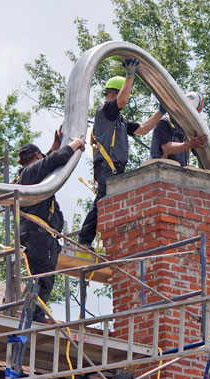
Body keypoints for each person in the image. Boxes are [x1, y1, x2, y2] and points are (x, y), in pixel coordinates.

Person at [78, 58, 164, 249]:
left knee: (111, 202)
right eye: (120, 96)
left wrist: (160, 113)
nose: (124, 103)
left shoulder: (120, 120)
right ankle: (84, 240)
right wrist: (130, 74)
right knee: (102, 201)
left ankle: (110, 241)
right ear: (113, 94)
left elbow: (142, 129)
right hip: (107, 166)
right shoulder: (106, 112)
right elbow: (123, 99)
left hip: (116, 168)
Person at [17, 128, 86, 322]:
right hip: (39, 238)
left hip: (32, 236)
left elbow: (45, 161)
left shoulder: (25, 176)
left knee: (37, 280)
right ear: (37, 156)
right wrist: (75, 144)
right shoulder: (31, 172)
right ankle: (35, 321)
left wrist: (55, 145)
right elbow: (52, 161)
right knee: (42, 282)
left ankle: (32, 317)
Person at [150, 91, 208, 166]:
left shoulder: (188, 131)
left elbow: (200, 149)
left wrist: (209, 145)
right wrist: (189, 145)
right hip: (160, 170)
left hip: (179, 173)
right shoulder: (165, 122)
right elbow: (167, 148)